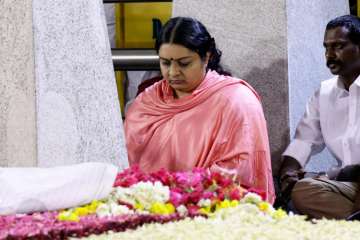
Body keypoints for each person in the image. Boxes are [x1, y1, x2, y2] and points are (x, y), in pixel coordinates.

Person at [124, 17, 275, 203]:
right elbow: (123, 162)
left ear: (207, 57)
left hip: (211, 213)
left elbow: (238, 172)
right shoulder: (146, 102)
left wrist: (177, 195)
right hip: (146, 208)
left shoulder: (236, 101)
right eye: (165, 63)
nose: (173, 72)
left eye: (184, 63)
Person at [279, 15, 360, 219]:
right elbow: (304, 140)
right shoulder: (325, 92)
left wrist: (332, 174)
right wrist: (288, 172)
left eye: (339, 46)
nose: (329, 55)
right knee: (303, 191)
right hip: (346, 187)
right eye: (326, 48)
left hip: (347, 179)